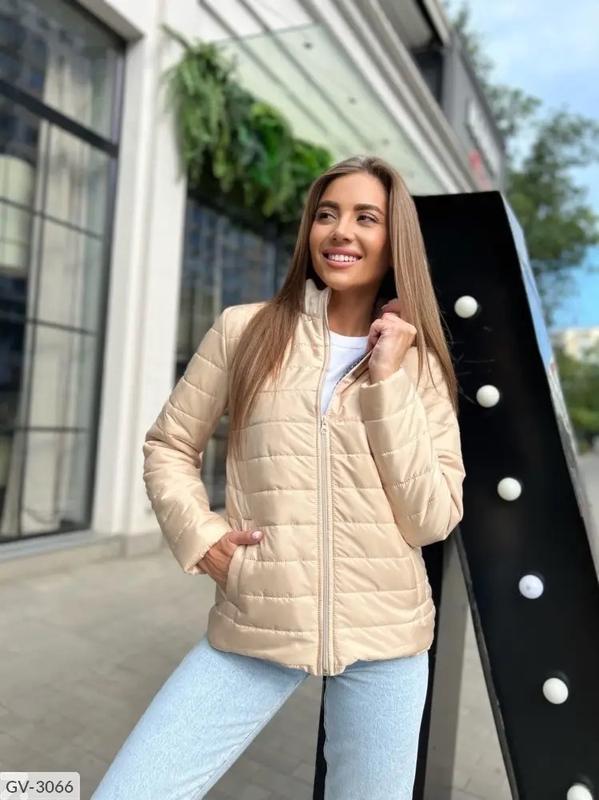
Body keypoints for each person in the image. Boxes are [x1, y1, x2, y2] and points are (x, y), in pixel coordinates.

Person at [92, 154, 466, 799]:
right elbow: (169, 444)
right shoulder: (245, 331)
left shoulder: (418, 364)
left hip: (388, 636)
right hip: (259, 614)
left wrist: (386, 380)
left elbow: (431, 518)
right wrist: (201, 535)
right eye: (327, 215)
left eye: (366, 218)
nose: (341, 231)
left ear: (393, 239)